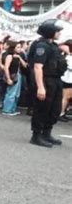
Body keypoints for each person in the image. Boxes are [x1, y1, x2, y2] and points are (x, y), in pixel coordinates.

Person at [29, 19, 67, 148]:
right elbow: (38, 67)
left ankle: (46, 133)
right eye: (57, 31)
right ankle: (36, 135)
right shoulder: (41, 46)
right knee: (42, 109)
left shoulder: (53, 45)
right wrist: (40, 87)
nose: (59, 33)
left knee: (54, 109)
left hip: (56, 80)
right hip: (45, 80)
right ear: (50, 31)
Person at [2, 41, 28, 116]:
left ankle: (12, 109)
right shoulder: (9, 56)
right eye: (18, 47)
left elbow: (25, 65)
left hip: (18, 74)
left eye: (20, 47)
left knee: (16, 94)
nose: (20, 49)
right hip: (12, 75)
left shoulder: (18, 56)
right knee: (11, 93)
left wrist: (19, 57)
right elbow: (6, 67)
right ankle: (7, 110)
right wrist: (8, 78)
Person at [59, 40, 72, 122]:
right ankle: (60, 113)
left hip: (68, 79)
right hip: (67, 79)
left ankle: (63, 112)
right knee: (65, 97)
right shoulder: (68, 57)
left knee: (67, 97)